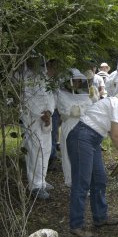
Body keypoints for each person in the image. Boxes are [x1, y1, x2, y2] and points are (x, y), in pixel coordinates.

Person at [67, 83, 118, 237]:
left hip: (92, 138)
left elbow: (117, 133)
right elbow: (116, 136)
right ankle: (76, 225)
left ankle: (100, 217)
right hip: (82, 137)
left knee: (99, 179)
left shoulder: (114, 104)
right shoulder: (117, 104)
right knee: (82, 182)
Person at [20, 56, 55, 200]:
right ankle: (35, 185)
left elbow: (50, 96)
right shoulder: (25, 77)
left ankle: (42, 180)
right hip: (32, 120)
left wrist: (49, 112)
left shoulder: (43, 76)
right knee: (35, 150)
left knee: (46, 150)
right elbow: (27, 99)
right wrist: (41, 113)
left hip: (45, 118)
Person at [56, 69, 93, 187]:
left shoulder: (83, 94)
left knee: (83, 154)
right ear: (67, 81)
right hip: (69, 126)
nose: (76, 84)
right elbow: (68, 111)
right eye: (74, 81)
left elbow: (89, 107)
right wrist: (80, 109)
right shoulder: (61, 94)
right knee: (68, 154)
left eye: (78, 81)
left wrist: (78, 109)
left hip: (84, 126)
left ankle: (83, 181)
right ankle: (71, 181)